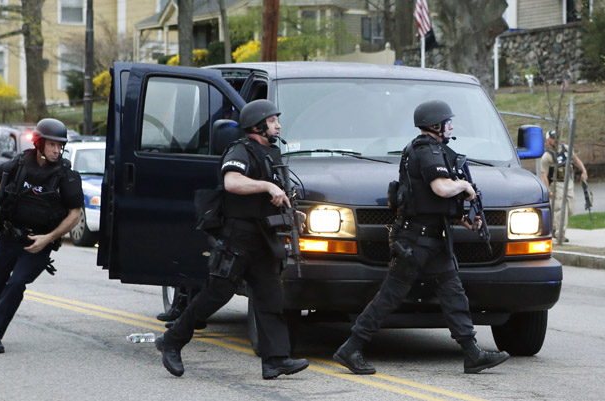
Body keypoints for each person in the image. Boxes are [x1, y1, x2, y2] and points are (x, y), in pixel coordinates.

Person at [333, 100, 510, 375]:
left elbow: (429, 200)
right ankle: (352, 347)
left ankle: (471, 353)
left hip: (433, 237)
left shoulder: (435, 150)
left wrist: (461, 217)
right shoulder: (425, 149)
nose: (451, 126)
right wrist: (464, 186)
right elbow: (440, 188)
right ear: (435, 125)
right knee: (390, 295)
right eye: (447, 121)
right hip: (416, 240)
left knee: (453, 293)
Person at [155, 99, 309, 379]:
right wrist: (266, 185)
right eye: (273, 121)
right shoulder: (240, 150)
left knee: (270, 296)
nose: (278, 125)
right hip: (237, 238)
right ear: (258, 125)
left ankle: (275, 359)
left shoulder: (271, 152)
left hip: (264, 238)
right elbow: (232, 182)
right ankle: (171, 341)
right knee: (217, 294)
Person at [0, 118, 83, 353]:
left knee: (16, 283)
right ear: (39, 143)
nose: (57, 150)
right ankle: (4, 313)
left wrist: (47, 238)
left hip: (38, 243)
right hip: (9, 236)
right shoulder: (21, 162)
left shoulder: (64, 175)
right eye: (52, 145)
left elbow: (75, 214)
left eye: (60, 146)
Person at [540, 130, 588, 242]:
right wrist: (548, 190)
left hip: (568, 182)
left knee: (570, 208)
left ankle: (554, 227)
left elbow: (576, 160)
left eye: (556, 137)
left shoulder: (566, 149)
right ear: (548, 140)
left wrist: (583, 171)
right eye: (552, 138)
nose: (555, 139)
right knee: (560, 209)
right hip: (556, 184)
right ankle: (560, 234)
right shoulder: (547, 157)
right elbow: (544, 175)